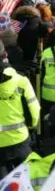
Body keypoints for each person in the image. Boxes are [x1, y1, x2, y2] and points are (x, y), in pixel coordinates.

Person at [0, 41, 40, 179]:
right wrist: (31, 126)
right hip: (19, 141)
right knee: (27, 183)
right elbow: (34, 110)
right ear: (5, 55)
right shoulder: (21, 81)